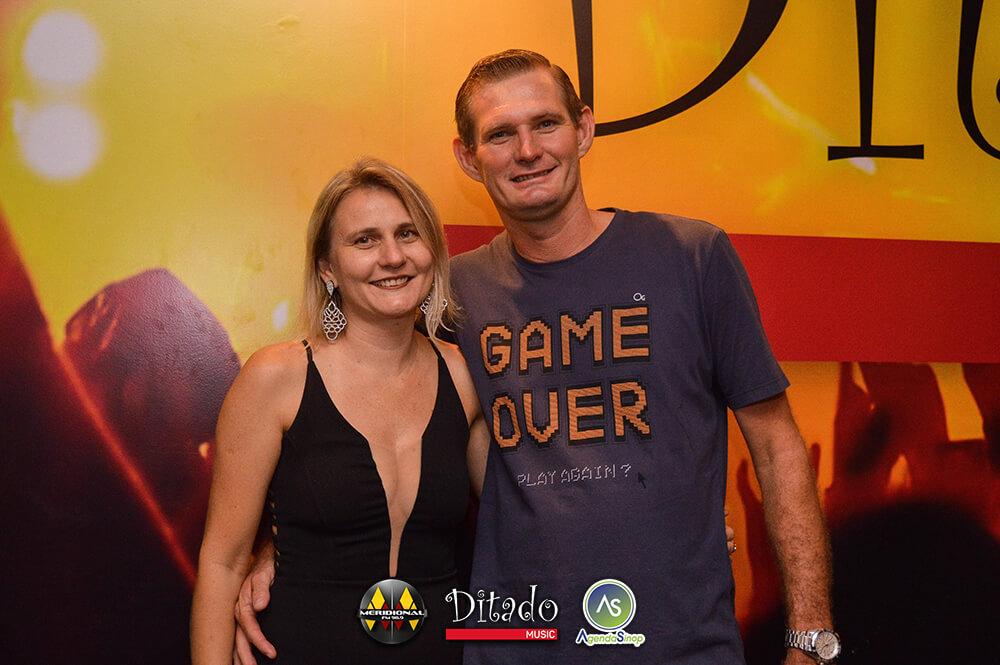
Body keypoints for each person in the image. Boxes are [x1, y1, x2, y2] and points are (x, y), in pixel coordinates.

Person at [236, 50, 829, 665]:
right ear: (469, 158)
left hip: (678, 643)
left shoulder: (691, 257)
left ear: (584, 129)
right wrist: (279, 549)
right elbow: (371, 430)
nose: (527, 150)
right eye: (500, 134)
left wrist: (810, 638)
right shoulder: (448, 296)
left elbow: (776, 445)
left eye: (545, 124)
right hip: (514, 644)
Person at [190, 157, 489, 665]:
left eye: (408, 233)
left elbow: (514, 519)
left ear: (432, 251)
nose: (392, 256)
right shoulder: (276, 378)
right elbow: (223, 563)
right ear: (327, 268)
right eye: (365, 240)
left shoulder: (463, 376)